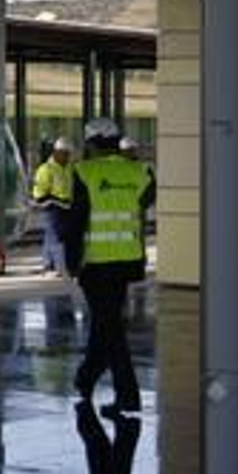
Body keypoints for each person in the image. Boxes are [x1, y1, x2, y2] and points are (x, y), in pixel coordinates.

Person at [69, 117, 154, 417]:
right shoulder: (141, 172)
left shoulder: (84, 172)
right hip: (127, 261)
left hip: (95, 264)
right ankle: (85, 379)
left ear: (91, 144)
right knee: (105, 324)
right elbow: (144, 203)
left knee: (111, 329)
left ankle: (128, 396)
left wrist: (71, 263)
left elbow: (76, 223)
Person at [31, 136, 76, 276]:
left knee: (52, 236)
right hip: (52, 209)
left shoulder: (70, 168)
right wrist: (57, 200)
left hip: (67, 207)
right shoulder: (46, 169)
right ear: (56, 152)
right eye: (65, 153)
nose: (68, 157)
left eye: (69, 154)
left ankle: (48, 265)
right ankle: (58, 267)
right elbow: (39, 195)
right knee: (56, 237)